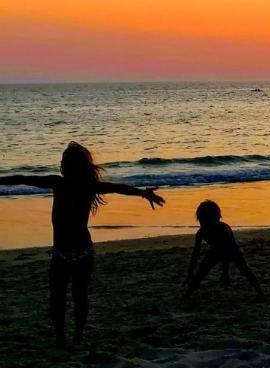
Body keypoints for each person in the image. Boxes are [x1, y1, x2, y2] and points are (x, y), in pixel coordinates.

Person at [0, 141, 165, 347]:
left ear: (66, 166)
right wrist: (142, 193)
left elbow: (22, 178)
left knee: (61, 298)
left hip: (67, 253)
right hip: (79, 253)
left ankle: (66, 337)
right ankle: (74, 336)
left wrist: (142, 193)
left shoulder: (59, 183)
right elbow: (117, 188)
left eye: (64, 162)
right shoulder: (85, 186)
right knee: (77, 296)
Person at [184, 200, 263, 300]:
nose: (204, 225)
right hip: (214, 251)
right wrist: (190, 274)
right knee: (200, 272)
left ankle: (260, 291)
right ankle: (187, 295)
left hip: (231, 250)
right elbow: (195, 254)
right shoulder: (201, 233)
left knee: (245, 270)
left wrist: (225, 272)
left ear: (217, 219)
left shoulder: (224, 229)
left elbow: (227, 249)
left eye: (208, 222)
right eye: (202, 221)